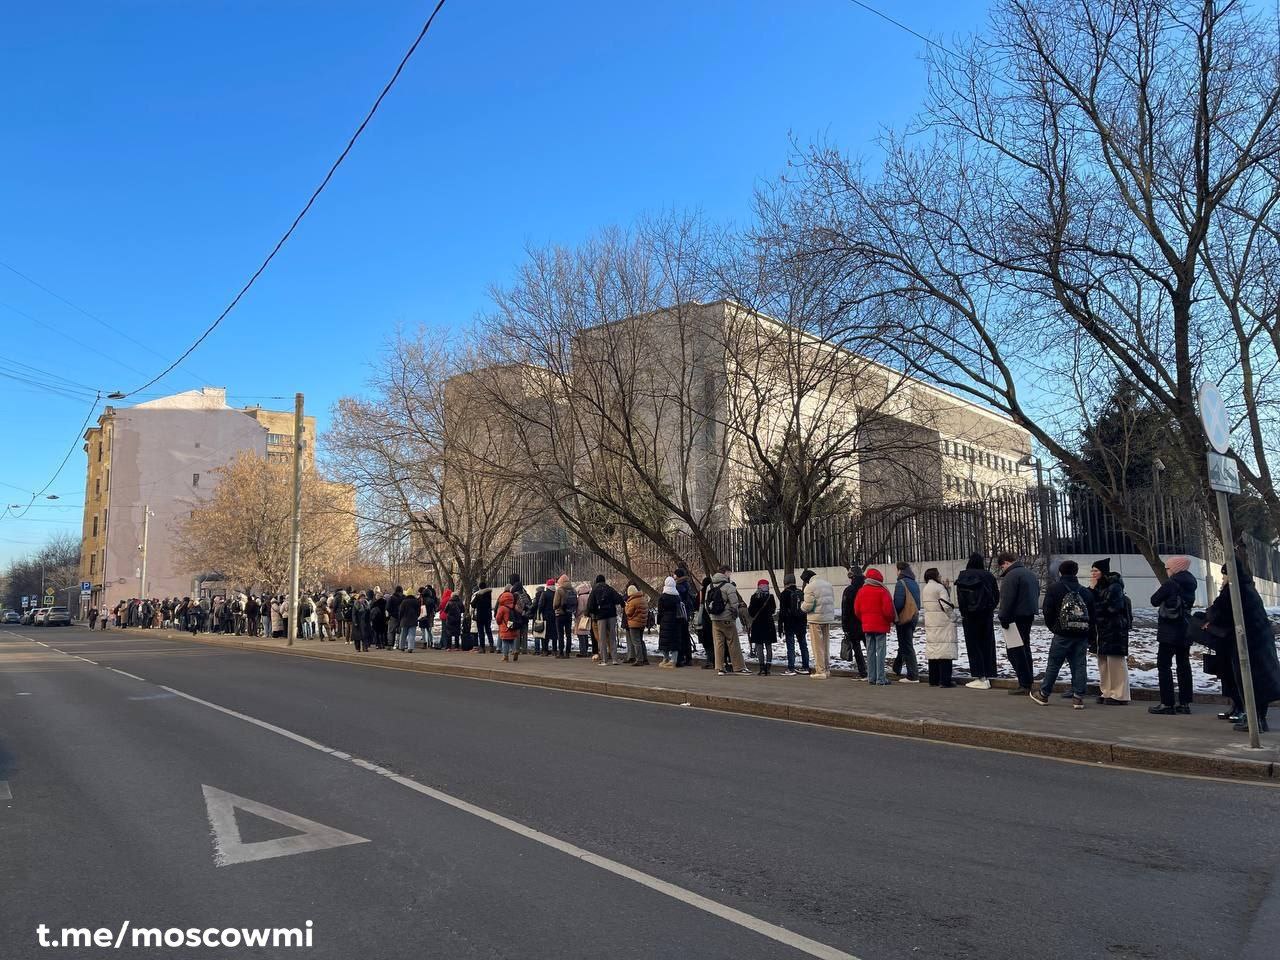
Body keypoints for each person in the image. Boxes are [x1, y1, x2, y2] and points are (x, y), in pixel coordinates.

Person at [1208, 560, 1280, 733]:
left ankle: (1255, 722)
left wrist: (1208, 616)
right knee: (1259, 682)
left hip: (1246, 643)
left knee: (1248, 682)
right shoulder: (1248, 587)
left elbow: (1218, 613)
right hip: (1260, 641)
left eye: (1224, 574)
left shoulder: (1233, 590)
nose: (1223, 578)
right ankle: (1258, 720)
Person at [1030, 560, 1091, 709]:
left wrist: (1054, 627)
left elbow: (1047, 610)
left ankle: (1044, 694)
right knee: (1079, 665)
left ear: (1060, 572)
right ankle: (1078, 697)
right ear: (1076, 572)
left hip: (1062, 634)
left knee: (1054, 664)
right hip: (1081, 634)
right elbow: (1092, 616)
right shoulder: (1085, 591)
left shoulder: (1055, 589)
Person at [1148, 556, 1198, 715]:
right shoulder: (1191, 583)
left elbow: (1154, 600)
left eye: (1168, 568)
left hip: (1169, 631)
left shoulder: (1171, 584)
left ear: (1175, 569)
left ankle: (1167, 703)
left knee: (1164, 665)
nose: (1167, 571)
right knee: (1183, 665)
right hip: (1185, 630)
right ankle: (1184, 703)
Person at [954, 552, 999, 689]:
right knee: (987, 643)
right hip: (986, 615)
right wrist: (990, 608)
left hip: (969, 616)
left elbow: (961, 598)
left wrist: (964, 612)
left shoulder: (963, 576)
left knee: (973, 645)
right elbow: (996, 596)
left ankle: (979, 675)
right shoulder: (988, 576)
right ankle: (989, 672)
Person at [996, 551, 1039, 694]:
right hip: (1028, 615)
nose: (1003, 570)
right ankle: (1028, 680)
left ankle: (1024, 683)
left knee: (1015, 651)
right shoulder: (1029, 574)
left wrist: (1003, 618)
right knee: (1025, 648)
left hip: (1015, 618)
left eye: (1002, 567)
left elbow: (1007, 600)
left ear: (1006, 563)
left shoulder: (1011, 576)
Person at [1090, 558, 1131, 705]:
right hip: (1101, 630)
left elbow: (1110, 608)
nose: (1093, 573)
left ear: (1103, 572)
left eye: (1096, 571)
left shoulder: (1114, 587)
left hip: (1113, 629)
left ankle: (1120, 694)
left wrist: (1094, 592)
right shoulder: (1100, 587)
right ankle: (1107, 691)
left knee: (1115, 663)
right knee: (1103, 662)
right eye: (1092, 570)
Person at [855, 568, 896, 685]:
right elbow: (888, 611)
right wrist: (890, 620)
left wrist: (864, 620)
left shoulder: (861, 591)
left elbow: (857, 610)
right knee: (881, 652)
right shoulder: (883, 591)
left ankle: (871, 677)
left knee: (870, 651)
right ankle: (880, 678)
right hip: (881, 626)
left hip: (867, 626)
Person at [706, 566, 748, 675]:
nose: (730, 575)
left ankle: (720, 668)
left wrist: (712, 615)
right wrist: (735, 616)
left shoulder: (709, 586)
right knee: (733, 642)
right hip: (727, 619)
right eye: (729, 573)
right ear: (725, 573)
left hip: (715, 619)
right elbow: (734, 604)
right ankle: (738, 667)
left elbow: (707, 603)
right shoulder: (729, 586)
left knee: (718, 644)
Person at [921, 568, 958, 687]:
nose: (941, 577)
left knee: (934, 650)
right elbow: (945, 605)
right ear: (935, 576)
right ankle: (945, 680)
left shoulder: (926, 588)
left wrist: (946, 589)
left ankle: (934, 679)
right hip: (943, 622)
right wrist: (953, 617)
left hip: (931, 622)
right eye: (939, 575)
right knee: (945, 651)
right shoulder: (939, 587)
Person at [800, 569, 835, 679]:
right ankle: (827, 669)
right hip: (827, 617)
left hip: (815, 619)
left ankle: (820, 671)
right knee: (825, 645)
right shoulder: (828, 585)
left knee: (817, 646)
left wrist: (801, 606)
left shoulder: (810, 587)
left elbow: (808, 606)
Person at [891, 561, 922, 683]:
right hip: (913, 616)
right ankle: (896, 668)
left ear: (899, 570)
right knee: (904, 643)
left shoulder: (901, 583)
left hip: (904, 618)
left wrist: (894, 615)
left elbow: (898, 604)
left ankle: (913, 675)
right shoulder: (914, 582)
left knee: (906, 645)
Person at [587, 575, 625, 665]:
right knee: (612, 637)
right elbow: (619, 599)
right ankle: (615, 659)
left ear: (597, 581)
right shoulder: (609, 589)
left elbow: (590, 605)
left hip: (601, 617)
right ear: (604, 581)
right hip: (611, 615)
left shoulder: (595, 590)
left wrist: (595, 612)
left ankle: (604, 660)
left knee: (602, 638)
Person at [778, 573, 810, 675]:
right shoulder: (800, 592)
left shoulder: (784, 594)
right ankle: (806, 666)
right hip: (801, 623)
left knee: (791, 646)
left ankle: (791, 668)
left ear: (785, 582)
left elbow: (782, 612)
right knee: (803, 645)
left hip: (789, 623)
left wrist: (780, 627)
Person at [840, 566, 868, 678]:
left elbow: (845, 610)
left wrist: (844, 626)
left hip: (852, 624)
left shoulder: (849, 590)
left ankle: (863, 672)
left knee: (857, 649)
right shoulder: (866, 588)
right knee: (870, 648)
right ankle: (874, 669)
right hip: (866, 623)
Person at [747, 579, 777, 676]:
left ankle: (761, 667)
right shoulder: (770, 597)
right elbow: (773, 610)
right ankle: (768, 668)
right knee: (768, 646)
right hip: (768, 624)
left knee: (759, 646)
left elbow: (751, 612)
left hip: (758, 624)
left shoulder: (754, 597)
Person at [656, 576, 686, 667]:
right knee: (675, 640)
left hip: (665, 621)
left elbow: (660, 611)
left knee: (664, 640)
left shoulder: (663, 597)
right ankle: (674, 660)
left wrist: (659, 621)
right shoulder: (677, 596)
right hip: (676, 621)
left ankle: (665, 659)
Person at [673, 568, 697, 667]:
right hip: (686, 613)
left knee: (681, 636)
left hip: (681, 613)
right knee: (685, 636)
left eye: (674, 575)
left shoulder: (679, 586)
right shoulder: (687, 584)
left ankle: (682, 657)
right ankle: (688, 657)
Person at [623, 584, 650, 665]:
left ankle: (639, 660)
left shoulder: (632, 601)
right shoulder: (642, 599)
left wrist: (626, 606)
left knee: (636, 642)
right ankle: (645, 659)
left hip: (634, 624)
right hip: (642, 623)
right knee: (641, 641)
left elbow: (628, 613)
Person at [553, 574, 576, 659]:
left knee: (560, 634)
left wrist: (556, 608)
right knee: (568, 634)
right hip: (569, 614)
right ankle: (568, 652)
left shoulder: (560, 590)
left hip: (560, 614)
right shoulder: (573, 590)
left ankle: (561, 652)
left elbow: (555, 604)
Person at [495, 588, 520, 662]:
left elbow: (498, 618)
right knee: (511, 641)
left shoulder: (502, 608)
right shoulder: (513, 606)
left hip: (505, 628)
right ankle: (514, 650)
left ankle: (505, 657)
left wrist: (499, 623)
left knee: (505, 642)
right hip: (512, 626)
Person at [468, 583, 491, 653]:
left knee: (481, 632)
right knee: (488, 631)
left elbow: (473, 604)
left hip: (480, 615)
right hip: (487, 615)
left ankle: (482, 648)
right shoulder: (489, 594)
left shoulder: (478, 595)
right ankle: (492, 645)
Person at [398, 587, 421, 652]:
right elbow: (418, 611)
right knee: (412, 634)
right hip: (413, 620)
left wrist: (400, 618)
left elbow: (401, 611)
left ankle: (401, 646)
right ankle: (410, 647)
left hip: (404, 620)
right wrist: (417, 616)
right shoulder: (416, 601)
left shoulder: (404, 602)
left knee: (403, 634)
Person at [574, 580, 593, 657]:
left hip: (581, 618)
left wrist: (576, 614)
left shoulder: (580, 598)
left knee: (581, 635)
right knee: (586, 635)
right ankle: (586, 650)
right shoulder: (589, 596)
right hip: (588, 617)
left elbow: (580, 609)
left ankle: (583, 651)